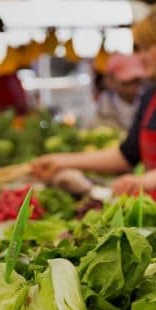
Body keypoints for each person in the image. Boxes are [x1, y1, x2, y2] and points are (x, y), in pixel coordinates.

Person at [32, 6, 156, 199]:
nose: (140, 56)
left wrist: (144, 181)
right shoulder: (150, 96)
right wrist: (61, 161)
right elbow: (126, 155)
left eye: (147, 48)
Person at [95, 54, 145, 130]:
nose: (132, 87)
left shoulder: (148, 101)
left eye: (136, 81)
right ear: (111, 80)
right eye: (126, 83)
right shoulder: (105, 106)